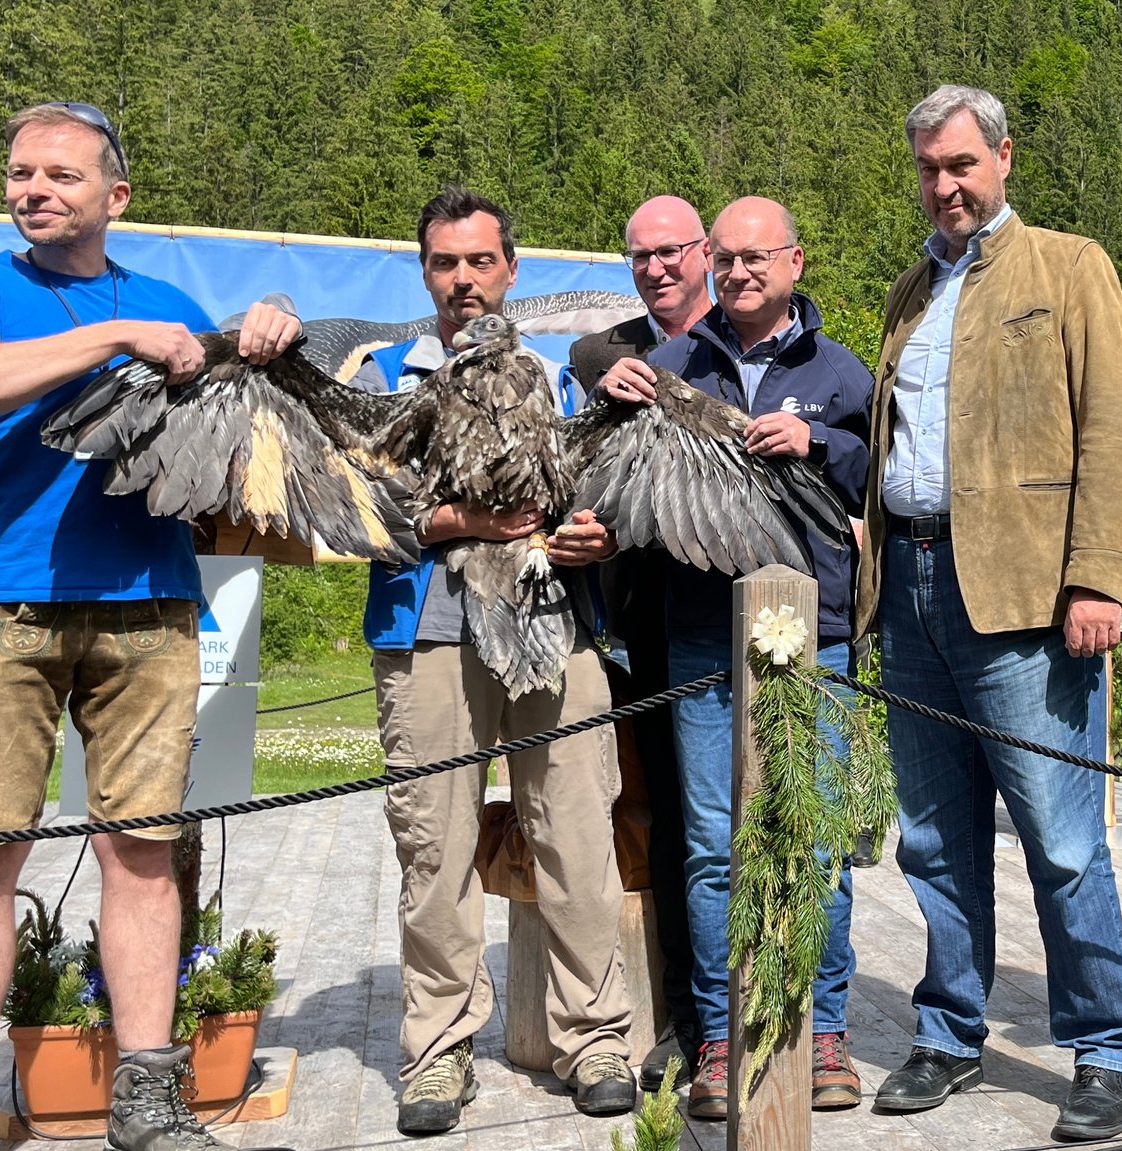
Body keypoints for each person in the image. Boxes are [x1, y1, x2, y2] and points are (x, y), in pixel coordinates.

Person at [0, 101, 302, 1151]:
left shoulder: (168, 297)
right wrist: (113, 336)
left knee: (143, 854)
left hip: (152, 602)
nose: (33, 189)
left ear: (114, 198)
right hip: (0, 605)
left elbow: (243, 396)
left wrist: (265, 325)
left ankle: (148, 1096)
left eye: (61, 176)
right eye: (20, 174)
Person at [853, 84, 1122, 1143]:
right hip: (915, 589)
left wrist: (1096, 578)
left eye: (962, 165)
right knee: (932, 837)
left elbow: (1109, 430)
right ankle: (948, 1029)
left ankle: (1103, 1048)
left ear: (1004, 158)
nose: (945, 186)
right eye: (929, 169)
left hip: (1027, 598)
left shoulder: (1070, 266)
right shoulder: (904, 293)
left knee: (1062, 839)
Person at [354, 186, 638, 1134]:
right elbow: (370, 511)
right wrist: (465, 522)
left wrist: (587, 535)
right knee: (434, 848)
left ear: (510, 269)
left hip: (553, 615)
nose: (464, 279)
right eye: (445, 263)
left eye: (481, 261)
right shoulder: (389, 376)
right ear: (425, 273)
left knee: (577, 832)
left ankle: (595, 1035)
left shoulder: (558, 382)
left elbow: (589, 498)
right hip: (426, 627)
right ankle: (436, 1052)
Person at [596, 195, 872, 1121]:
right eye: (732, 257)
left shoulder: (844, 374)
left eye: (763, 257)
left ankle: (822, 1030)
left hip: (818, 632)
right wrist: (611, 403)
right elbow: (608, 484)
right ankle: (720, 1036)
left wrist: (820, 441)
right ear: (712, 261)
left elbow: (887, 476)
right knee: (713, 846)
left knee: (817, 844)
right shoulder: (666, 367)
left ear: (797, 261)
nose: (745, 271)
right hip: (702, 632)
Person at [565, 195, 712, 1092]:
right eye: (640, 256)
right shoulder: (613, 351)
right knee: (671, 829)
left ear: (707, 253)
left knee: (755, 822)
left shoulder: (737, 349)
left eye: (671, 252)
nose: (656, 268)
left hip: (753, 619)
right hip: (647, 631)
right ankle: (694, 1023)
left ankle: (796, 1015)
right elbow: (588, 351)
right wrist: (608, 370)